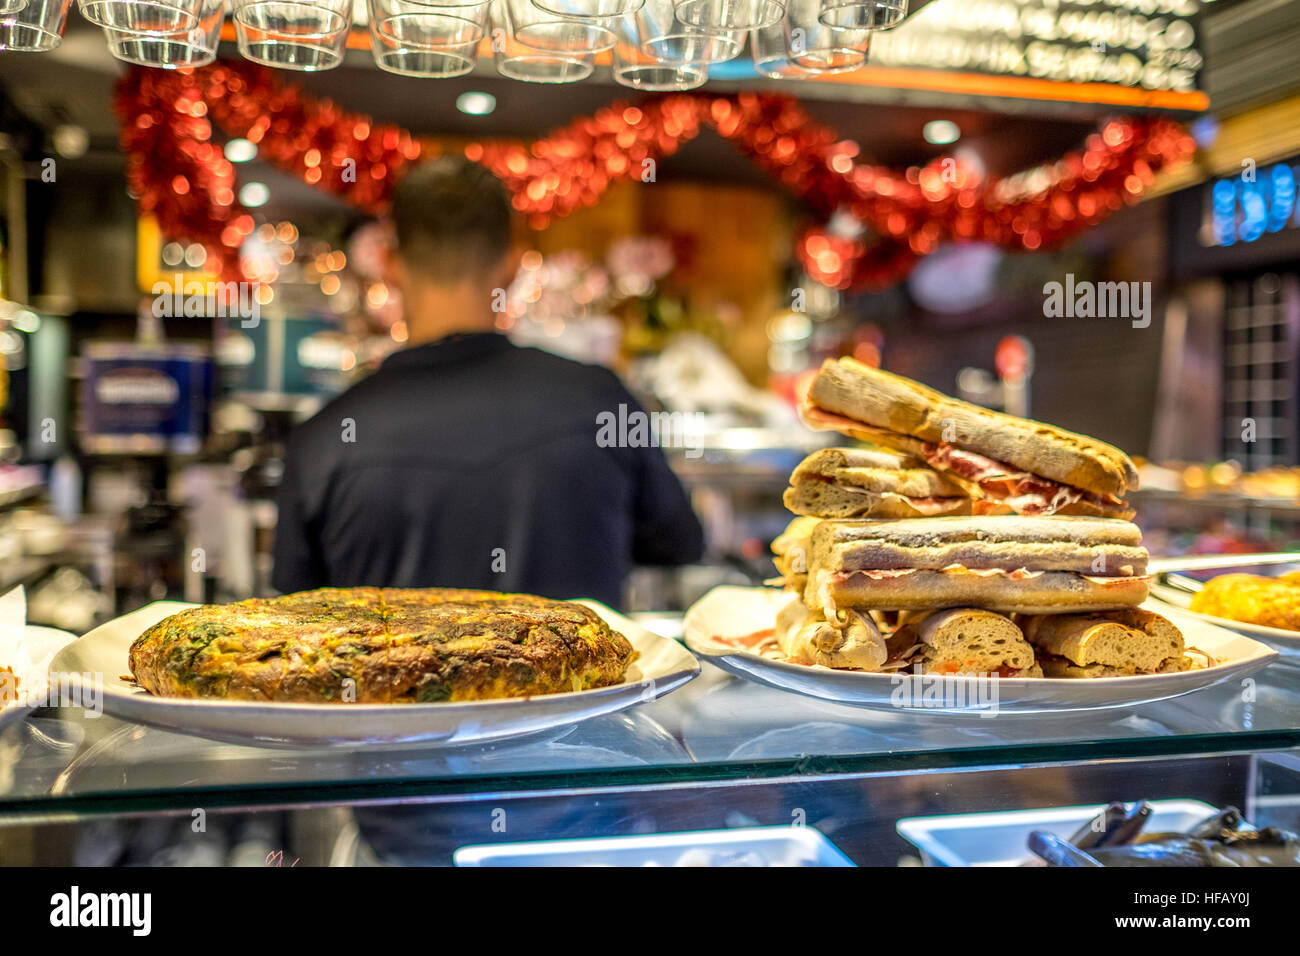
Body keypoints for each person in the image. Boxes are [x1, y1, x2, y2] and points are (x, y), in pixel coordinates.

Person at [271, 157, 704, 608]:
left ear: (388, 264)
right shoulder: (602, 402)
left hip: (392, 680)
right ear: (514, 267)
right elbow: (679, 545)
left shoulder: (323, 439)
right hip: (583, 680)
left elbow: (297, 619)